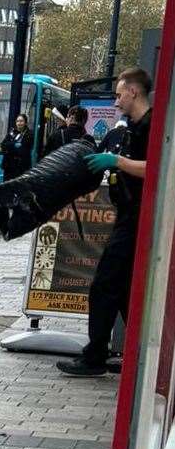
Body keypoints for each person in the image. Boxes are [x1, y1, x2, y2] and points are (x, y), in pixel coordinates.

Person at [59, 68, 151, 377]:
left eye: (119, 93)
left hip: (139, 217)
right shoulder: (132, 128)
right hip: (127, 213)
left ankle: (95, 355)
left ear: (133, 92)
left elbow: (159, 167)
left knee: (104, 284)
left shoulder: (152, 126)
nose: (115, 101)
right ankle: (141, 353)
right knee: (124, 289)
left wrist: (117, 162)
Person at [0, 113, 34, 181]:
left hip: (21, 167)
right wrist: (13, 145)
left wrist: (10, 146)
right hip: (9, 166)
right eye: (17, 121)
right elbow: (3, 145)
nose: (19, 123)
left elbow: (22, 149)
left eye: (21, 121)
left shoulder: (29, 134)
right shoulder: (12, 132)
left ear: (25, 123)